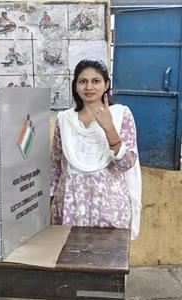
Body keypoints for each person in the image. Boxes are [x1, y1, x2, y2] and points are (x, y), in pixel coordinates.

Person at [49, 59, 141, 240]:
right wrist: (49, 201)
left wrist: (109, 128)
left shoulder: (121, 114)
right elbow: (55, 165)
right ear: (75, 86)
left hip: (108, 207)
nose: (89, 87)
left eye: (96, 81)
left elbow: (127, 163)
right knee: (70, 260)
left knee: (106, 262)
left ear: (106, 84)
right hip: (70, 204)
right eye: (83, 81)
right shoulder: (65, 120)